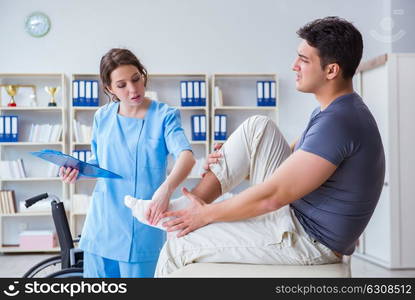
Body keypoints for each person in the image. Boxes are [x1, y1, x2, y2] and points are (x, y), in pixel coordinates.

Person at [125, 16, 385, 277]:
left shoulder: (338, 123)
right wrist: (227, 159)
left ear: (331, 71)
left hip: (309, 240)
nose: (294, 66)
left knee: (178, 246)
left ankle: (187, 212)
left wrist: (206, 216)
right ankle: (186, 207)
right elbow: (294, 167)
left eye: (304, 60)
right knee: (258, 128)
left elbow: (273, 195)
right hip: (298, 215)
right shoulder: (335, 110)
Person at [59, 48, 195, 278]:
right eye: (121, 85)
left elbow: (187, 157)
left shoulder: (164, 115)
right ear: (109, 89)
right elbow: (100, 163)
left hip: (143, 223)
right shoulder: (102, 117)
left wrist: (166, 189)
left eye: (136, 79)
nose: (133, 89)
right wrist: (77, 171)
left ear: (143, 75)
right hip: (103, 222)